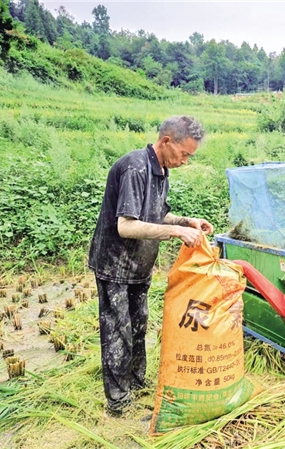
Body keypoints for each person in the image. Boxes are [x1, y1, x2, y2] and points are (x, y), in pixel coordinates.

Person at [88, 115, 214, 416]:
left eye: (189, 156)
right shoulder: (135, 167)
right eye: (183, 154)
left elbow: (156, 214)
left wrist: (186, 221)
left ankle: (136, 382)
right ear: (166, 141)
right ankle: (118, 402)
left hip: (139, 266)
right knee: (118, 332)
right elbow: (126, 226)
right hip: (116, 265)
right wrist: (175, 232)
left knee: (138, 326)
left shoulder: (161, 171)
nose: (185, 161)